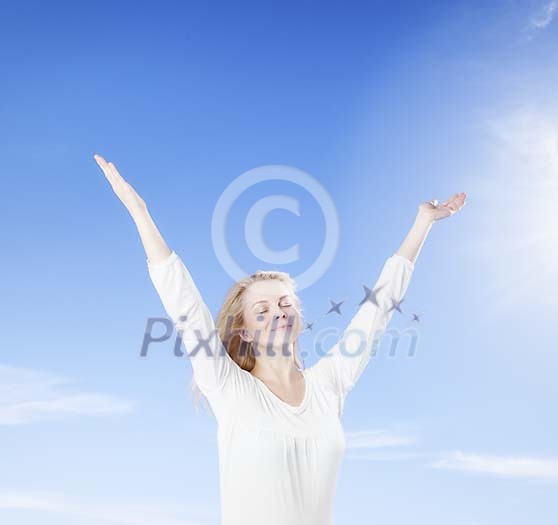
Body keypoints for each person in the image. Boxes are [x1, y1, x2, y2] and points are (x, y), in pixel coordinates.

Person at [94, 153, 466, 525]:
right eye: (263, 310)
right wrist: (140, 213)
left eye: (285, 302)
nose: (279, 312)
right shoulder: (228, 387)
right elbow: (183, 302)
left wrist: (423, 224)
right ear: (244, 330)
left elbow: (377, 311)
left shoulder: (328, 384)